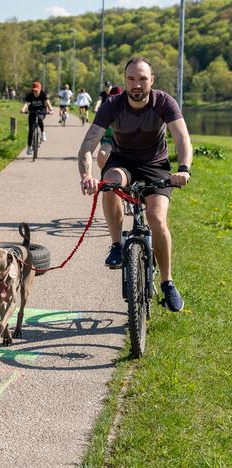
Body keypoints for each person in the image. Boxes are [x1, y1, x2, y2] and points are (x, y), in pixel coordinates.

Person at [77, 57, 192, 312]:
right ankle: (117, 245)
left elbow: (182, 137)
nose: (136, 84)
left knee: (156, 218)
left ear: (151, 80)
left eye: (142, 79)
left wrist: (183, 169)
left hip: (155, 164)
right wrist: (86, 175)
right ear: (125, 81)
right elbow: (88, 145)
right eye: (131, 79)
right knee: (109, 184)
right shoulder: (112, 105)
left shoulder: (163, 102)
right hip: (123, 161)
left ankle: (167, 283)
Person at [20, 80, 53, 155]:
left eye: (36, 90)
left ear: (40, 89)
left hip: (42, 110)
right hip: (32, 111)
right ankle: (29, 147)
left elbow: (47, 102)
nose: (35, 92)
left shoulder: (43, 94)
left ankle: (42, 132)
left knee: (40, 118)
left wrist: (50, 109)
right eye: (34, 90)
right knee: (31, 130)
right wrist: (23, 109)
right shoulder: (30, 95)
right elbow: (27, 103)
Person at [95, 85, 123, 169]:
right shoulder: (106, 109)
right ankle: (105, 175)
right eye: (113, 98)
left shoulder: (128, 110)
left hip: (124, 141)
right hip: (108, 138)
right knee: (102, 155)